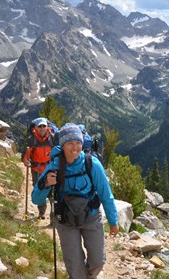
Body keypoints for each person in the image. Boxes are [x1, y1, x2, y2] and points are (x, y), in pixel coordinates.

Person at [32, 123, 119, 279]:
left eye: (78, 142)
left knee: (98, 262)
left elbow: (106, 194)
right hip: (65, 220)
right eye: (70, 143)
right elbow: (35, 198)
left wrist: (113, 221)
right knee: (75, 266)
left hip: (91, 217)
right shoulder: (54, 166)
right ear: (63, 145)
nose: (75, 147)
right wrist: (45, 184)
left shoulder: (92, 164)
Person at [22, 117, 55, 220]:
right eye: (39, 126)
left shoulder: (52, 138)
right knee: (40, 190)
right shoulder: (31, 139)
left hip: (50, 168)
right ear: (35, 127)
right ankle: (42, 213)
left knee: (52, 192)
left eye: (44, 126)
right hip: (37, 169)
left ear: (47, 127)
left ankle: (53, 215)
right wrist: (26, 161)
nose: (42, 128)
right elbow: (26, 154)